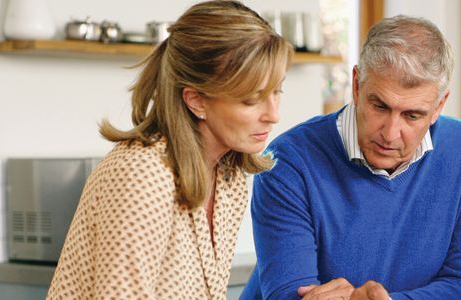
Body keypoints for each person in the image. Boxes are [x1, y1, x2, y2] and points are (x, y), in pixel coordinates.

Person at [241, 15, 461, 300]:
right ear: (356, 85)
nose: (390, 134)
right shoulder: (288, 160)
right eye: (379, 106)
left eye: (412, 116)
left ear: (439, 106)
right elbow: (289, 295)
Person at [46, 1, 292, 299]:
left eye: (276, 92)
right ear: (196, 101)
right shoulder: (142, 175)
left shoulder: (229, 179)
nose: (273, 115)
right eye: (252, 100)